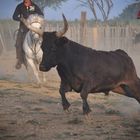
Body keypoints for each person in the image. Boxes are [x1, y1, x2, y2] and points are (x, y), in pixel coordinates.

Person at [13, 0, 44, 69]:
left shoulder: (34, 6)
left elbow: (41, 14)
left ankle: (45, 57)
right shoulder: (20, 6)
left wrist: (36, 18)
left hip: (34, 28)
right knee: (18, 43)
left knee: (44, 39)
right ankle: (19, 60)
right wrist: (21, 19)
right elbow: (14, 17)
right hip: (23, 29)